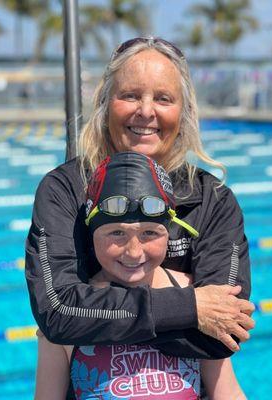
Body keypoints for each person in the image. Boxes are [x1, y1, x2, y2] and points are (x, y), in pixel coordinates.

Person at [25, 36, 254, 366]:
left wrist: (95, 313)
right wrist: (190, 305)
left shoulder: (212, 201)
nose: (146, 111)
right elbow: (58, 311)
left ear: (185, 112)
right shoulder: (65, 190)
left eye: (163, 98)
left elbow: (226, 332)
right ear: (105, 103)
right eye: (130, 95)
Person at [35, 152, 247, 400]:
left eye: (149, 233)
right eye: (116, 233)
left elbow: (228, 393)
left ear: (169, 233)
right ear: (91, 236)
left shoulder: (198, 296)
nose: (134, 252)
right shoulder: (71, 315)